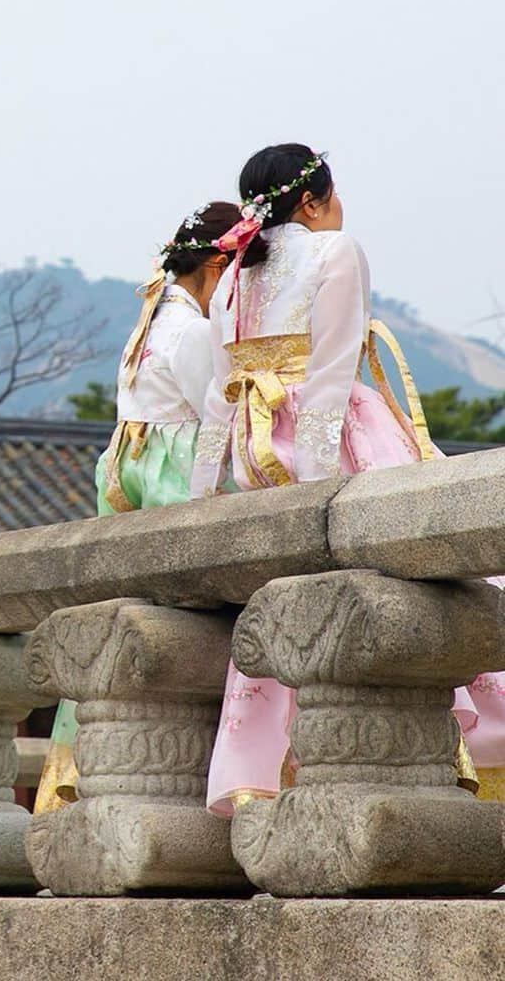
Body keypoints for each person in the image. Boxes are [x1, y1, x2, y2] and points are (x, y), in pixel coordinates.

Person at [190, 143, 505, 814]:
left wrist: (202, 489)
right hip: (331, 441)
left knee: (281, 601)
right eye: (334, 197)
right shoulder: (335, 252)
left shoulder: (235, 272)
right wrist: (314, 483)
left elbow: (222, 392)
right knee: (454, 569)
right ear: (312, 200)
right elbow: (331, 373)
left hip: (255, 445)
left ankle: (255, 772)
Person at [34, 201, 239, 814]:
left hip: (131, 471)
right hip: (175, 474)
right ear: (217, 265)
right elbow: (215, 418)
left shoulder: (148, 323)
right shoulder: (193, 330)